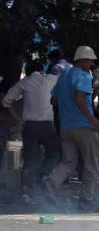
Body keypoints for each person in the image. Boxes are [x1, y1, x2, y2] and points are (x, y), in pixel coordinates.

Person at [43, 46, 99, 211]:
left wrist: (66, 105)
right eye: (90, 60)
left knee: (68, 162)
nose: (91, 64)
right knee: (91, 165)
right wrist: (92, 119)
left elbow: (53, 101)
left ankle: (51, 183)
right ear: (82, 60)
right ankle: (86, 199)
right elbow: (79, 98)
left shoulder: (63, 77)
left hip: (66, 127)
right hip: (84, 126)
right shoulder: (83, 75)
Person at [2, 61, 60, 203]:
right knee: (54, 152)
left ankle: (27, 190)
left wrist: (17, 119)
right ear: (41, 70)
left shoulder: (24, 82)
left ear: (27, 71)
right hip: (48, 126)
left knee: (29, 159)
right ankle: (45, 175)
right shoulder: (51, 78)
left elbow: (5, 101)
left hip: (30, 127)